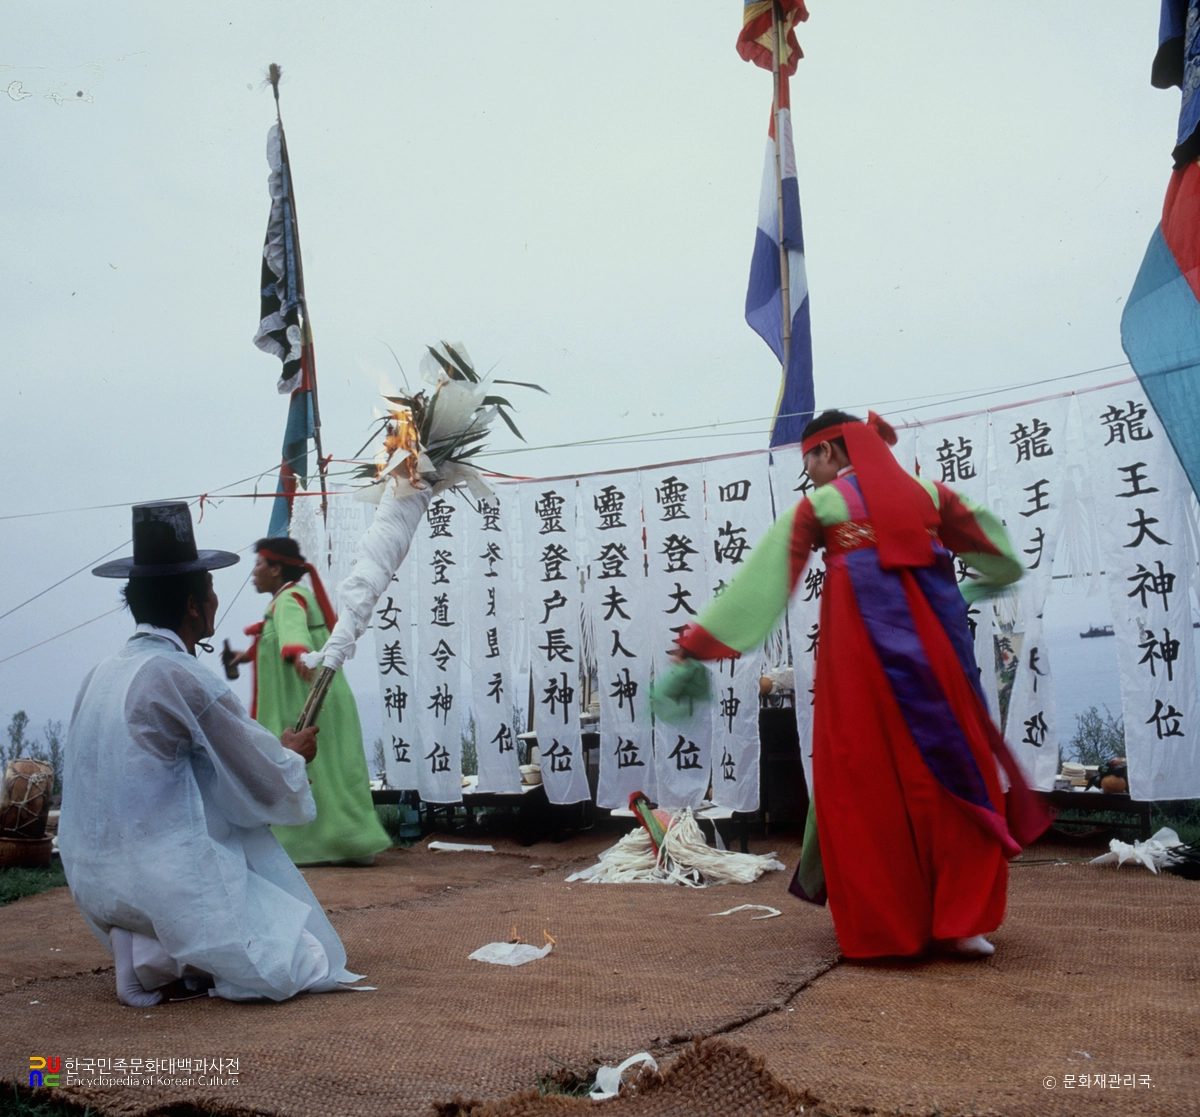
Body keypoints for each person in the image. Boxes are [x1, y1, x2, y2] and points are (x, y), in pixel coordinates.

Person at [670, 410, 1051, 959]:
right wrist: (970, 590)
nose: (812, 477)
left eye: (810, 465)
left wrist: (698, 643)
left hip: (862, 662)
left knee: (862, 778)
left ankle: (887, 932)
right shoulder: (931, 492)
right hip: (936, 658)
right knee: (952, 770)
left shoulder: (823, 505)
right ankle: (963, 921)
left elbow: (762, 582)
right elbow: (1000, 557)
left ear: (829, 452)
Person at [58, 502, 364, 1005]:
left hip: (95, 884)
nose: (218, 602)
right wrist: (292, 756)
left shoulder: (102, 672)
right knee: (304, 959)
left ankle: (147, 945)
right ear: (193, 607)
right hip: (155, 879)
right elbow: (258, 775)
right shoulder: (180, 675)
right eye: (211, 593)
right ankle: (169, 953)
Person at [224, 537, 390, 866]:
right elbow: (273, 642)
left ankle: (323, 846)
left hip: (307, 703)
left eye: (258, 564)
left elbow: (292, 635)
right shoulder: (290, 599)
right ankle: (349, 844)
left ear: (275, 568)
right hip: (317, 700)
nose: (253, 572)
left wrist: (300, 655)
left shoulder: (289, 600)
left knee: (313, 770)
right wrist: (242, 658)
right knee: (332, 771)